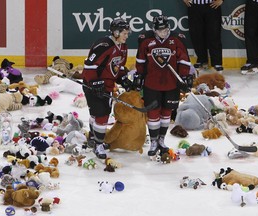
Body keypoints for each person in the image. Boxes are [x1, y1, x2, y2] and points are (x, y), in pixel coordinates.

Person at [133, 14, 195, 157]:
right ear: (154, 30)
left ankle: (161, 140)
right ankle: (154, 141)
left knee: (167, 112)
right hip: (151, 84)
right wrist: (139, 77)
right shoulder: (145, 40)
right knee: (153, 113)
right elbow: (140, 62)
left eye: (166, 29)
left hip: (171, 84)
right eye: (160, 30)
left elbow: (184, 60)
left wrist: (185, 77)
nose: (163, 32)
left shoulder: (177, 39)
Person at [82, 18, 132, 159]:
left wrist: (123, 79)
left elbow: (119, 67)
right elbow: (89, 66)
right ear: (116, 32)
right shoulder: (103, 45)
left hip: (108, 86)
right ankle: (98, 144)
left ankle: (93, 138)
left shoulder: (123, 47)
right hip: (92, 85)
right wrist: (94, 83)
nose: (126, 36)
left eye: (127, 33)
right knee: (101, 115)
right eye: (124, 33)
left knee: (97, 114)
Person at [183, 0, 224, 72]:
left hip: (212, 6)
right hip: (194, 6)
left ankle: (217, 62)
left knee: (214, 34)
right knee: (196, 34)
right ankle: (201, 60)